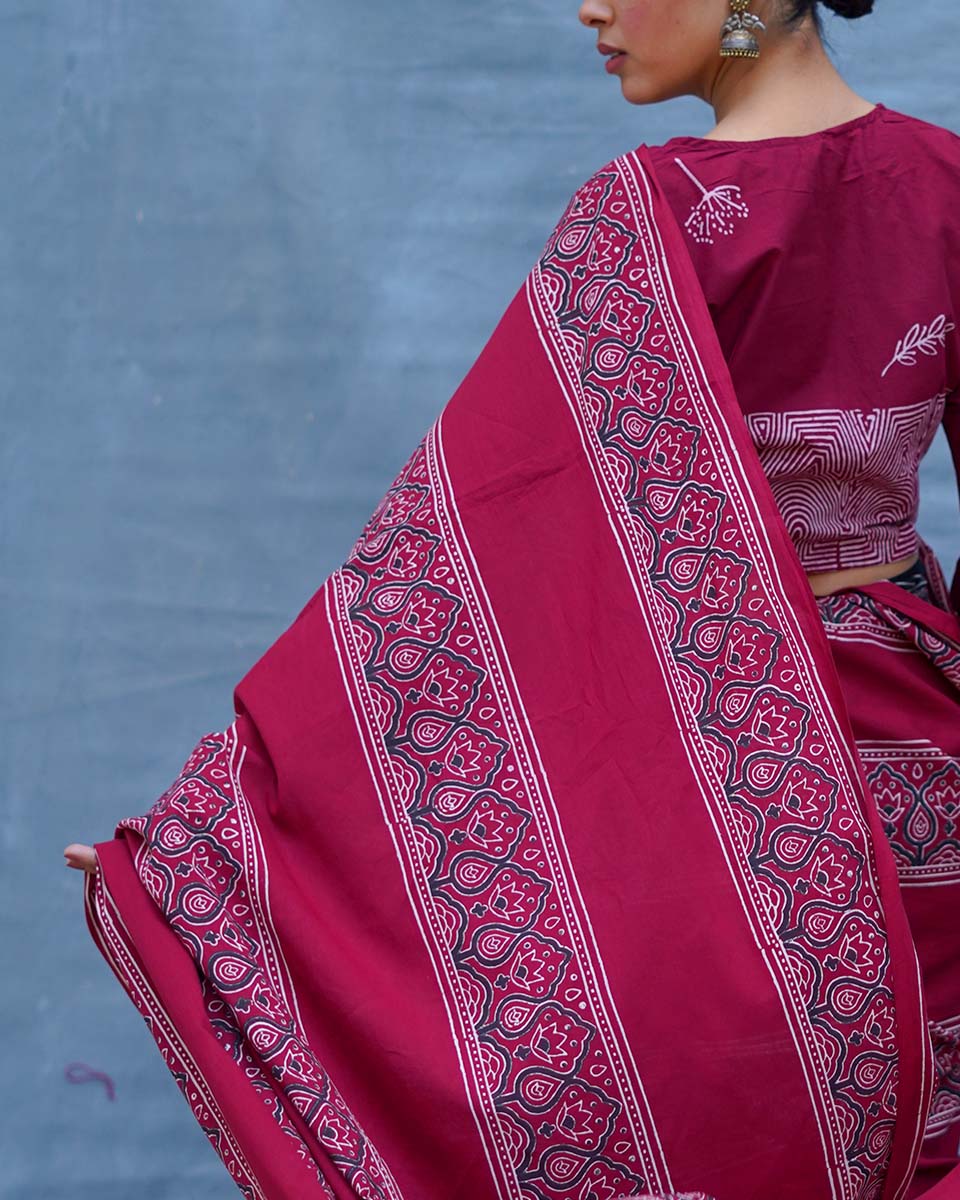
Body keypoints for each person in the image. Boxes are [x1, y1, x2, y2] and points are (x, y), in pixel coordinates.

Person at [64, 1, 960, 1197]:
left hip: (709, 797)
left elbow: (452, 561)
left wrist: (212, 852)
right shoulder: (946, 182)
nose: (590, 4)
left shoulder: (651, 218)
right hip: (922, 756)